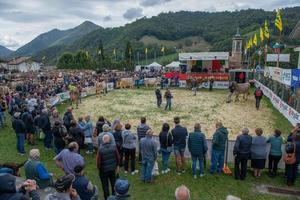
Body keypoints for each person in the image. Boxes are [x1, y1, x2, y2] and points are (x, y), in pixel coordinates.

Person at [97, 134, 120, 200]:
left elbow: (98, 162)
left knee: (105, 185)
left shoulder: (100, 149)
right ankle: (114, 196)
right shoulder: (114, 147)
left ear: (103, 140)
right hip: (113, 169)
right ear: (109, 140)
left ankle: (107, 198)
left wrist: (99, 168)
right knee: (113, 183)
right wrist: (117, 165)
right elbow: (118, 157)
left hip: (103, 170)